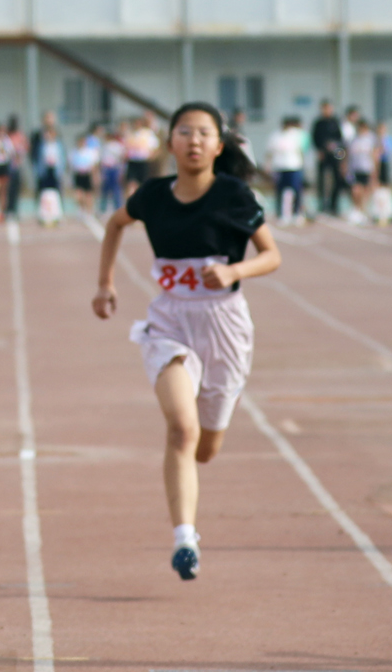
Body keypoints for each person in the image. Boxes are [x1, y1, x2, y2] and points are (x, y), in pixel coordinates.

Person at [91, 102, 283, 581]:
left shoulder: (234, 195)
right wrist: (105, 284)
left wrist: (235, 271)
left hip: (224, 325)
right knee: (181, 428)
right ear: (169, 142)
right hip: (170, 320)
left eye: (203, 133)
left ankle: (192, 475)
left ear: (218, 146)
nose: (193, 140)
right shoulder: (153, 195)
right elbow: (115, 224)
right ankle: (185, 540)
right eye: (184, 132)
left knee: (205, 448)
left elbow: (272, 255)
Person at [265, 115, 308, 223]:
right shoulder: (275, 135)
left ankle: (297, 213)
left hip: (294, 166)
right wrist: (268, 165)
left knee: (297, 191)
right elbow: (269, 152)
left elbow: (304, 148)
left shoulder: (297, 135)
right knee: (280, 191)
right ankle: (280, 214)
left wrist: (303, 165)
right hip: (280, 167)